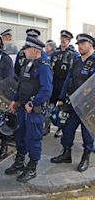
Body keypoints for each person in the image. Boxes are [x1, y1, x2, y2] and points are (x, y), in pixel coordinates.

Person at [6, 36, 52, 182]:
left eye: (26, 48)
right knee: (20, 136)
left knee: (33, 139)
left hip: (34, 110)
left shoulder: (44, 66)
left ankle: (32, 168)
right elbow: (20, 84)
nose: (24, 51)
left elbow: (46, 90)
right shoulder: (27, 63)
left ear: (34, 50)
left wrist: (32, 103)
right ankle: (20, 162)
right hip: (21, 108)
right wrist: (14, 99)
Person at [50, 33, 95, 172]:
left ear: (90, 44)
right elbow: (68, 80)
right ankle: (66, 153)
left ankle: (86, 157)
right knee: (67, 129)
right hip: (73, 103)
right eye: (78, 44)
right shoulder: (76, 60)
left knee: (87, 133)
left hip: (89, 106)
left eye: (82, 43)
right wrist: (61, 98)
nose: (80, 46)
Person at [50, 30, 79, 138]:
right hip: (54, 82)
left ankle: (61, 128)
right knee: (51, 104)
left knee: (64, 108)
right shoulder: (55, 53)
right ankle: (48, 125)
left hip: (65, 84)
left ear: (69, 40)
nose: (63, 41)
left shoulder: (73, 55)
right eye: (62, 38)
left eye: (65, 39)